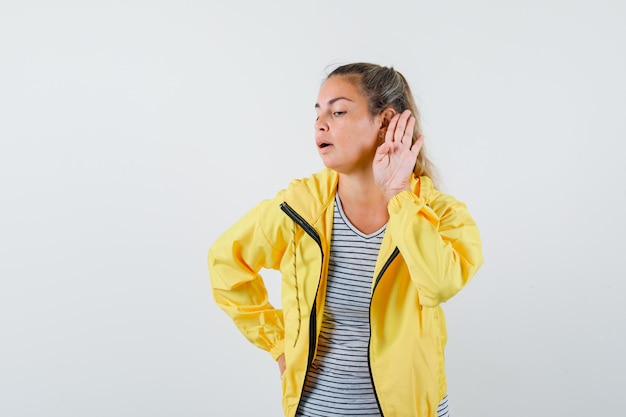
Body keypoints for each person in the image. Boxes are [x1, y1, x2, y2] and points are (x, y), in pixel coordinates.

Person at [208, 62, 484, 417]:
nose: (321, 124)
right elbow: (225, 263)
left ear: (385, 122)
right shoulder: (299, 208)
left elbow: (440, 284)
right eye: (318, 114)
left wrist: (399, 195)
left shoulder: (439, 213)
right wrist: (278, 344)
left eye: (338, 111)